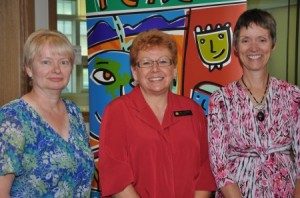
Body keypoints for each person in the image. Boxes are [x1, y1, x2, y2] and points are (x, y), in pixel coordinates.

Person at [98, 29, 216, 198]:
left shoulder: (193, 111)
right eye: (146, 63)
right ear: (134, 72)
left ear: (174, 69)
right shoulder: (117, 111)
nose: (155, 69)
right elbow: (116, 176)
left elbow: (204, 171)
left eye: (163, 61)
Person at [207, 8, 300, 197]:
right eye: (246, 40)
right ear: (236, 47)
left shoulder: (293, 95)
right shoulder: (221, 99)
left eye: (262, 39)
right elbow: (219, 166)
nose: (254, 48)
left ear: (273, 44)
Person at [0, 29, 94, 197]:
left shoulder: (73, 112)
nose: (56, 70)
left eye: (64, 62)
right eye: (46, 62)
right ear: (29, 69)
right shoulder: (12, 118)